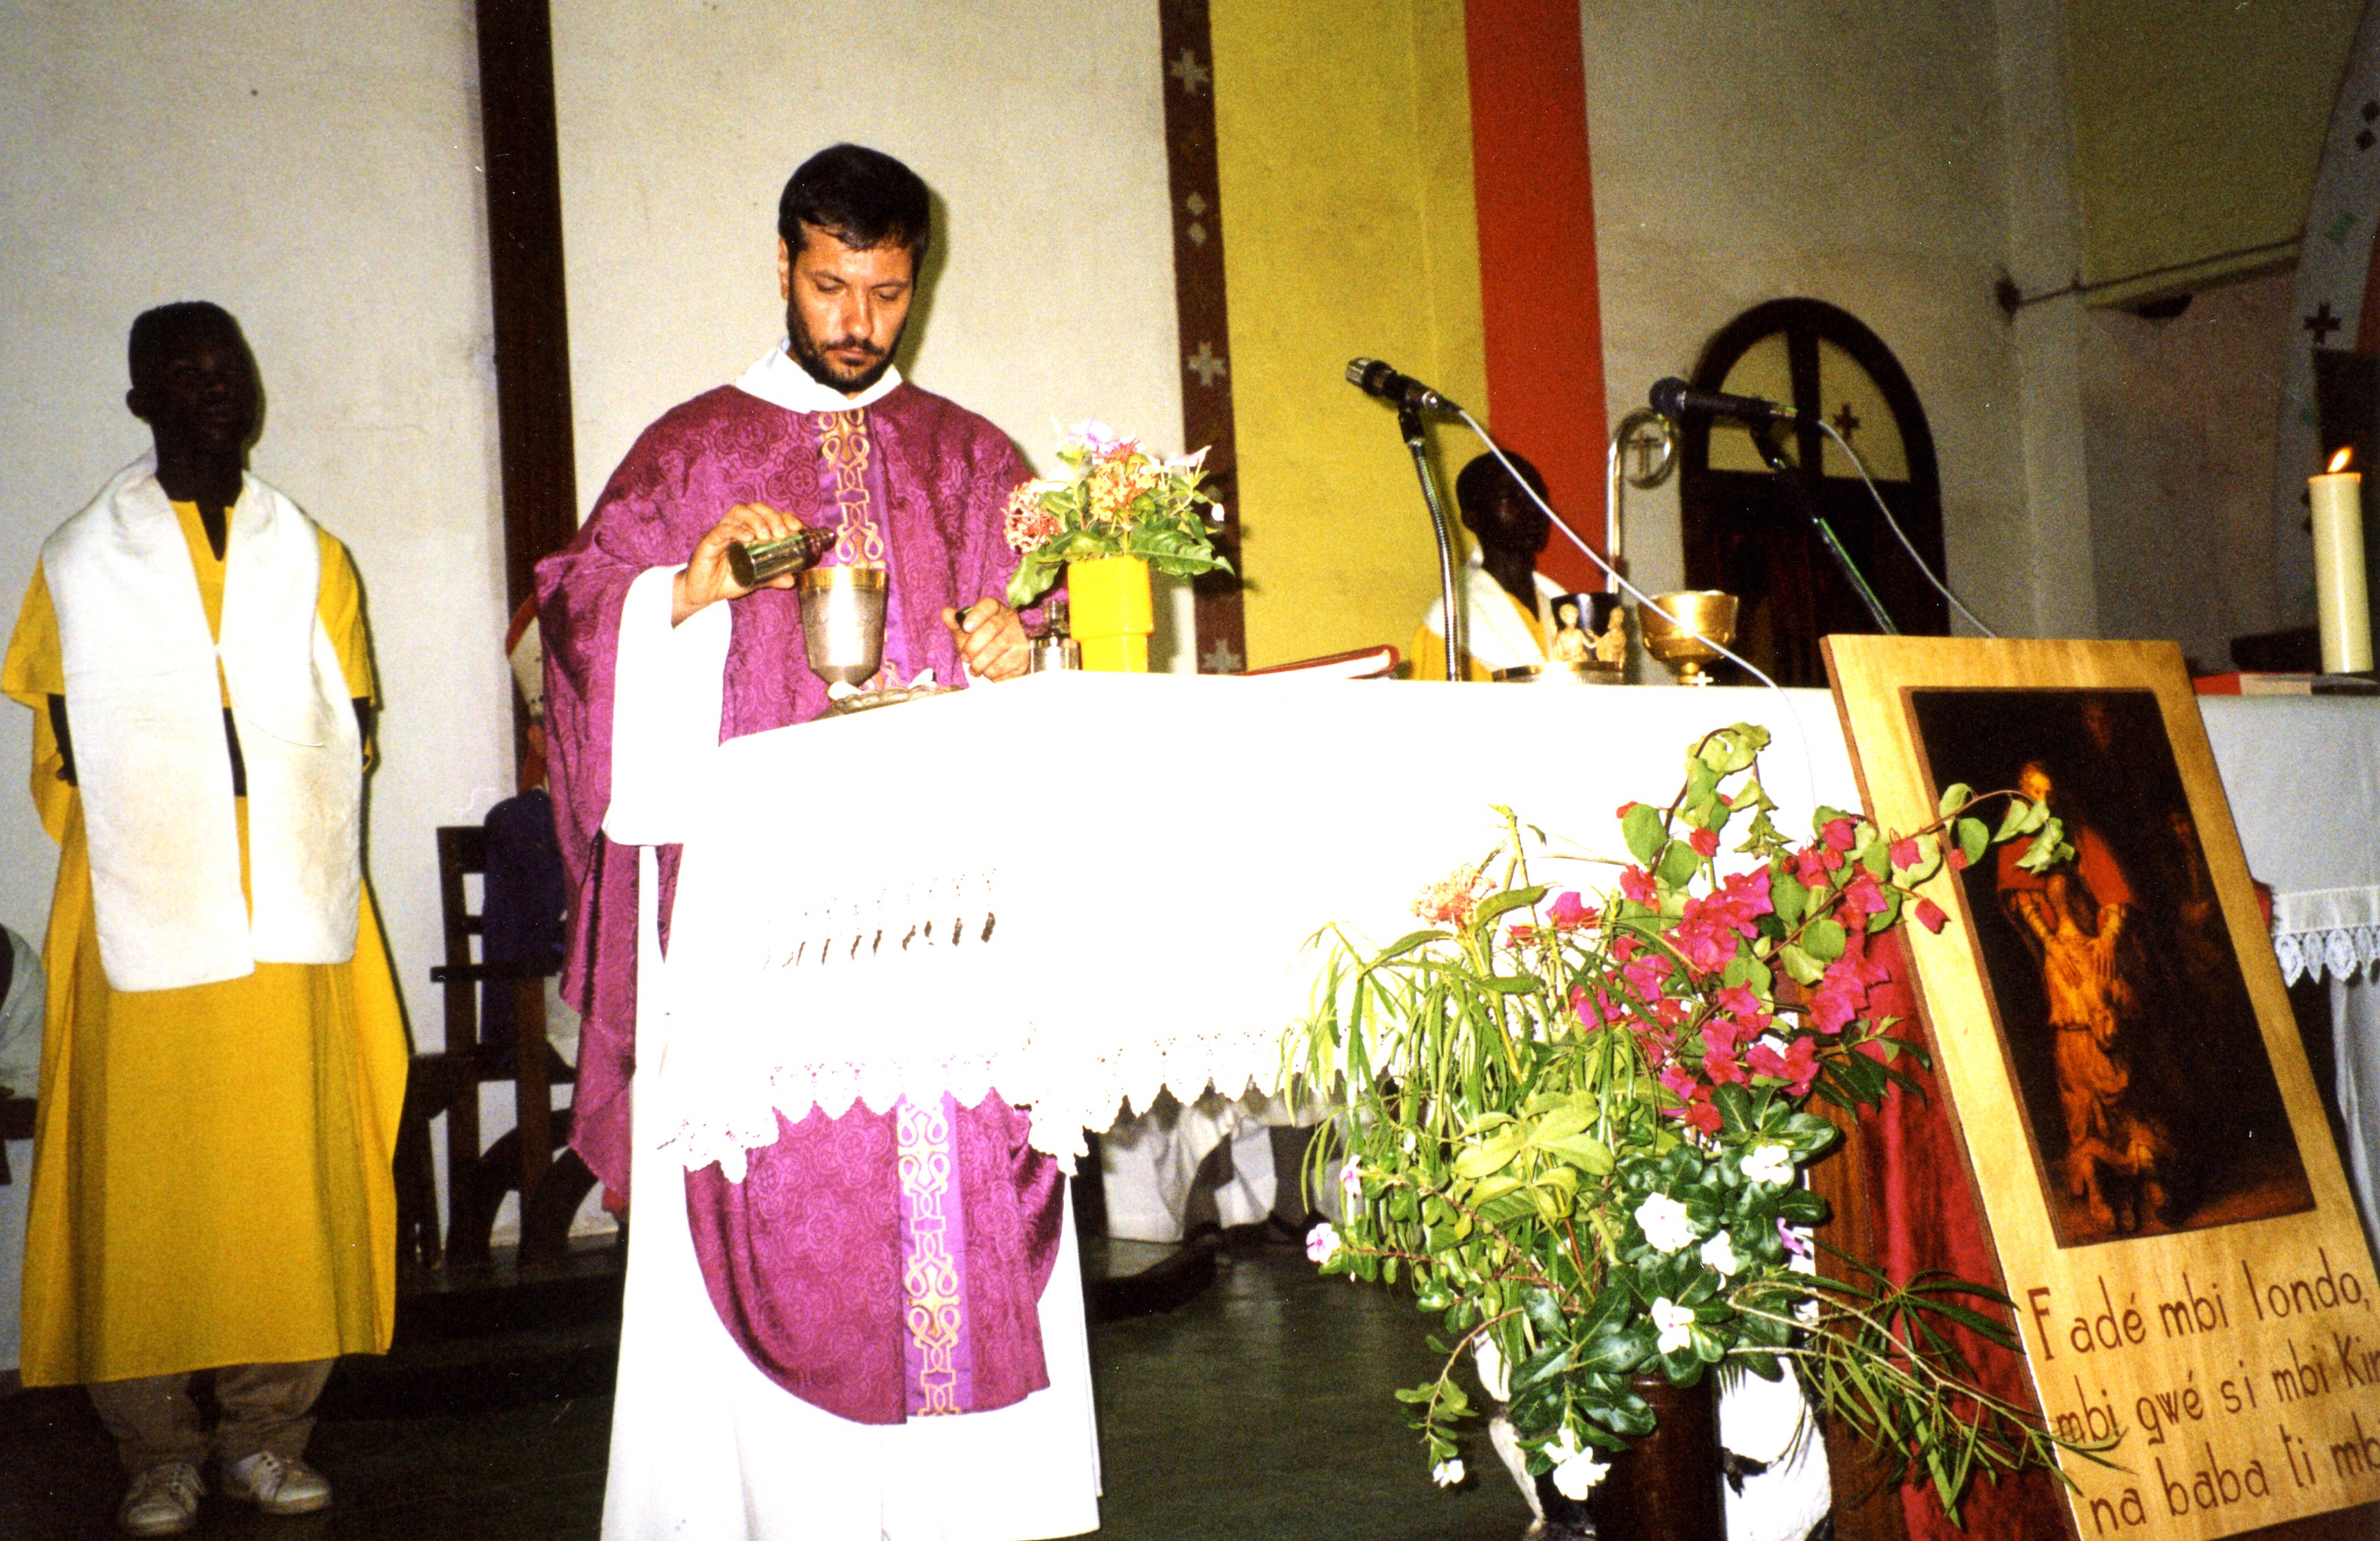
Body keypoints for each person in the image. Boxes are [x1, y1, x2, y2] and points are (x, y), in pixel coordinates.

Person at [537, 144, 1098, 1541]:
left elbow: (1049, 646)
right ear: (783, 265)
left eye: (887, 293)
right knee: (783, 1192)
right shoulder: (693, 449)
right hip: (767, 938)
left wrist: (1018, 646)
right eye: (832, 286)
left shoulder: (974, 457)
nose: (857, 322)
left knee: (964, 1194)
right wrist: (686, 594)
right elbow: (574, 618)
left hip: (950, 938)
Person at [2, 303, 405, 1535]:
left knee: (286, 1174)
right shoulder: (80, 561)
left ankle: (268, 1436)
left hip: (289, 900)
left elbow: (350, 727)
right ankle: (157, 1450)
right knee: (143, 1183)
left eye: (230, 370)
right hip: (141, 900)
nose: (214, 391)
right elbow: (62, 754)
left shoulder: (312, 554)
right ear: (140, 401)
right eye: (184, 375)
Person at [1996, 760, 2170, 1236]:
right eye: (2035, 793)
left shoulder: (2079, 832)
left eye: (2049, 792)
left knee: (2122, 1055)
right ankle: (2099, 1178)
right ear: (2022, 795)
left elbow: (2112, 890)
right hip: (2064, 958)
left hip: (2100, 951)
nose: (2044, 801)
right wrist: (2054, 947)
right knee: (2079, 1062)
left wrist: (2110, 937)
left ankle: (2143, 1165)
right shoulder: (2019, 836)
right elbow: (2022, 900)